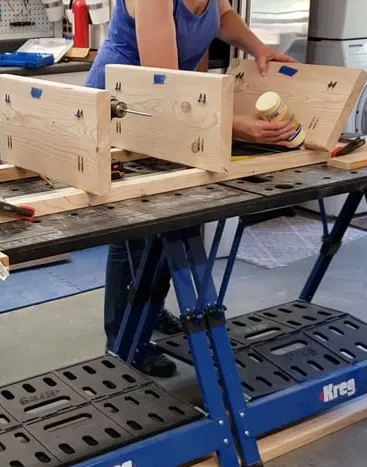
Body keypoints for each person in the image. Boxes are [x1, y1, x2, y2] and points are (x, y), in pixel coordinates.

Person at [85, 0, 298, 377]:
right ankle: (124, 339)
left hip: (172, 113)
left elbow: (223, 18)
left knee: (174, 219)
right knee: (135, 228)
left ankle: (150, 308)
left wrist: (258, 48)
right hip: (123, 111)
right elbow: (166, 85)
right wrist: (232, 125)